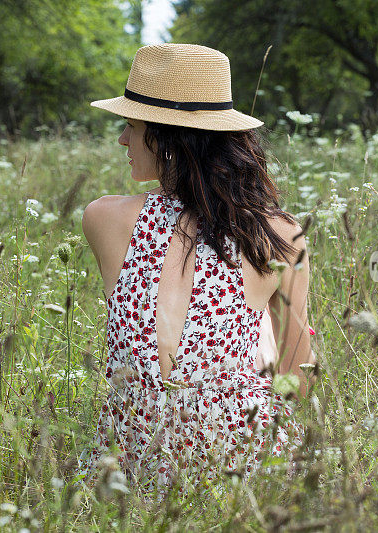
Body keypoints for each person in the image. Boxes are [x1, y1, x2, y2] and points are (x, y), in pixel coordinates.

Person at [79, 43, 315, 497]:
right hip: (240, 467)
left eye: (131, 126)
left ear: (168, 137)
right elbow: (297, 369)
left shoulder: (106, 219)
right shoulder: (279, 234)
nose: (122, 140)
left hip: (133, 468)